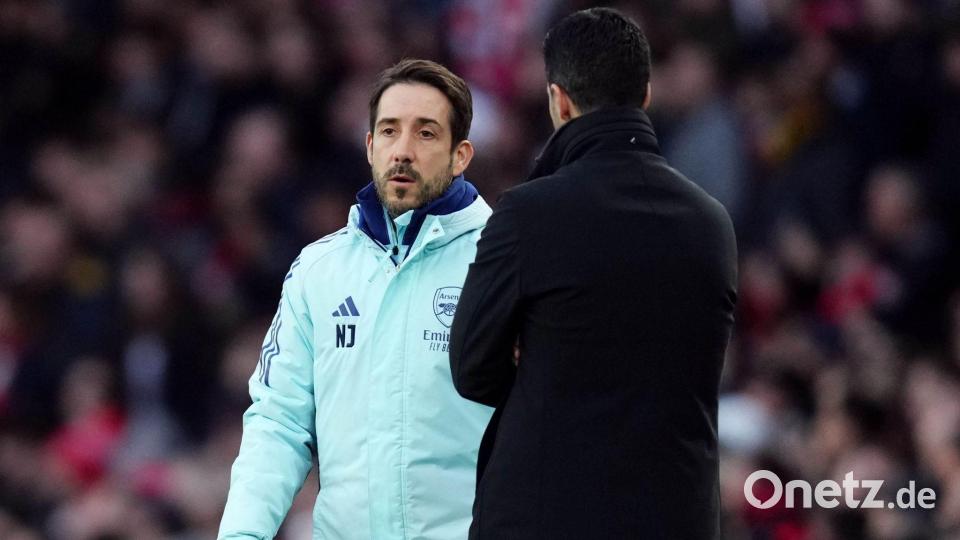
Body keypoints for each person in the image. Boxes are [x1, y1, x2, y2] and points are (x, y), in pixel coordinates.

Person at [449, 8, 738, 540]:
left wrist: (542, 363)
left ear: (559, 99)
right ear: (646, 94)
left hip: (547, 513)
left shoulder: (529, 214)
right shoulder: (711, 223)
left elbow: (471, 368)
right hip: (677, 517)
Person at [219, 59, 494, 540]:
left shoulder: (501, 262)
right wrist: (243, 534)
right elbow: (279, 422)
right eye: (389, 132)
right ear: (369, 146)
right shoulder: (318, 271)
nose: (403, 151)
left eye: (426, 134)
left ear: (460, 154)